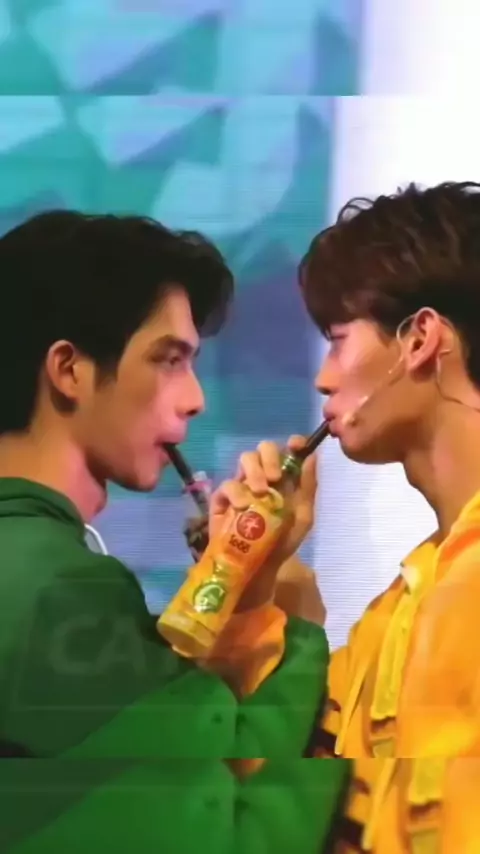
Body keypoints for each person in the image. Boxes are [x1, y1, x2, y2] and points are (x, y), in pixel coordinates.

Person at [0, 211, 348, 854]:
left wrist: (237, 589)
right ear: (69, 370)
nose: (194, 399)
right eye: (168, 360)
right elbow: (234, 840)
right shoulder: (59, 586)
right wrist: (296, 624)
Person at [249, 181, 480, 852]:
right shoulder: (395, 610)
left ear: (420, 339)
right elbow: (289, 802)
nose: (323, 378)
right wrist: (262, 587)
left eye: (338, 340)